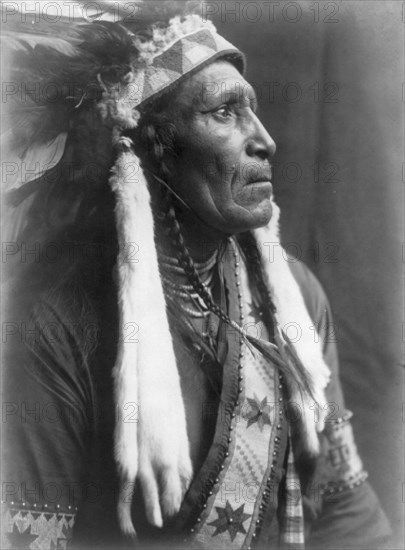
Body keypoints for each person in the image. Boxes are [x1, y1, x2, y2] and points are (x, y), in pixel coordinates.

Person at [1, 2, 392, 549]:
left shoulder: (294, 296)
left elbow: (345, 508)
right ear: (152, 153)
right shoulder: (58, 325)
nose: (265, 140)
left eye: (252, 110)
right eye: (225, 113)